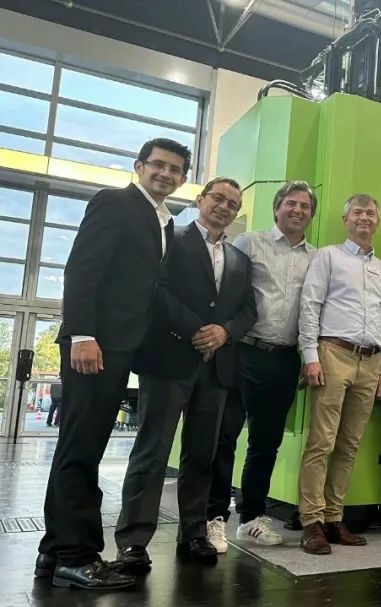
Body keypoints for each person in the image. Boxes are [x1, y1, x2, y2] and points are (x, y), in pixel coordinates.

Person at [37, 138, 188, 590]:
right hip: (95, 346)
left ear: (183, 178)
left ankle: (54, 552)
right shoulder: (115, 202)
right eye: (158, 164)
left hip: (121, 347)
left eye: (175, 169)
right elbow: (82, 269)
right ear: (139, 165)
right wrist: (82, 334)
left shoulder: (164, 221)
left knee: (80, 448)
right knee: (81, 451)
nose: (165, 173)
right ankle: (76, 556)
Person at [113, 177, 256, 572]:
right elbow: (155, 290)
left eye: (232, 203)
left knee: (202, 456)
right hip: (169, 360)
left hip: (216, 368)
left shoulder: (240, 259)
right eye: (218, 198)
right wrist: (197, 328)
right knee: (153, 451)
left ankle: (193, 533)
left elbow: (248, 310)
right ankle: (133, 541)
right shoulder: (171, 239)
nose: (224, 207)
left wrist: (224, 332)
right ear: (200, 199)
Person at [205, 181, 317, 553]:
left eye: (305, 206)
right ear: (276, 208)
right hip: (243, 352)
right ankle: (214, 517)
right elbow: (225, 291)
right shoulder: (250, 243)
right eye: (291, 203)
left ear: (311, 215)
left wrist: (309, 356)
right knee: (225, 436)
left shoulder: (316, 259)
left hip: (284, 359)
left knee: (266, 443)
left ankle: (251, 518)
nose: (297, 210)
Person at [296, 194, 381, 555]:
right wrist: (311, 356)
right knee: (321, 442)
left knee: (349, 444)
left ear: (377, 222)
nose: (364, 217)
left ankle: (334, 517)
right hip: (333, 353)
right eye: (358, 212)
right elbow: (310, 305)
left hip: (371, 362)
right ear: (346, 219)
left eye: (370, 213)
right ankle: (311, 521)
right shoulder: (328, 257)